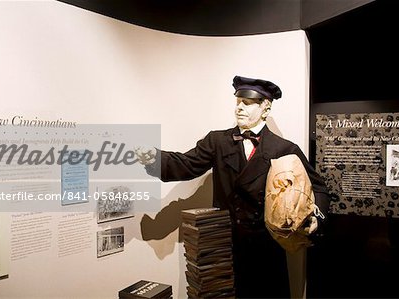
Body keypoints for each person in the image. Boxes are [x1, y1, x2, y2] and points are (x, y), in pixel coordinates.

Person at [135, 75, 330, 298]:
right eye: (237, 102)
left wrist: (315, 219)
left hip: (266, 246)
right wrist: (153, 158)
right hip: (224, 245)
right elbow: (186, 164)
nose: (239, 108)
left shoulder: (283, 148)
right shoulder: (217, 141)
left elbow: (318, 186)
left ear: (265, 108)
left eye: (247, 104)